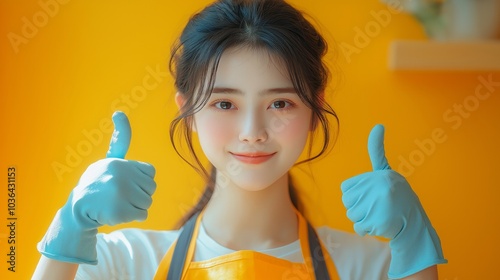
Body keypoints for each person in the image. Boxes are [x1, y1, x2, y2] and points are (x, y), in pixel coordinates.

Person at [32, 0, 447, 279]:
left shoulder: (372, 267)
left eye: (280, 103)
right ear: (186, 109)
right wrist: (70, 228)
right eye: (224, 104)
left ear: (315, 108)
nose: (252, 132)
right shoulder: (119, 262)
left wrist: (415, 252)